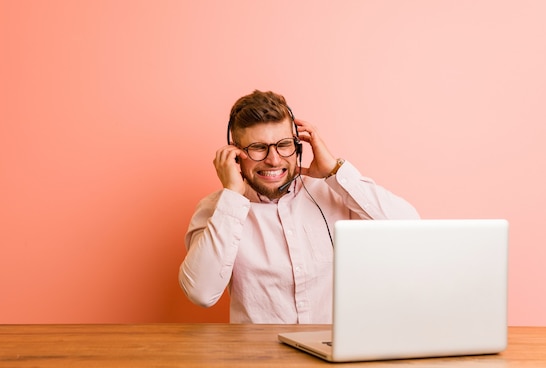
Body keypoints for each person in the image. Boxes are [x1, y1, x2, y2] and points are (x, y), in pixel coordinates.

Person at [179, 90, 419, 324]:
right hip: (259, 358)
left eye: (283, 144)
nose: (273, 159)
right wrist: (231, 197)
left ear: (300, 145)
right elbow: (201, 293)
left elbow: (411, 229)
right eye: (258, 148)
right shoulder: (219, 210)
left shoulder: (334, 193)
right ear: (235, 154)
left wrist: (335, 171)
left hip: (333, 354)